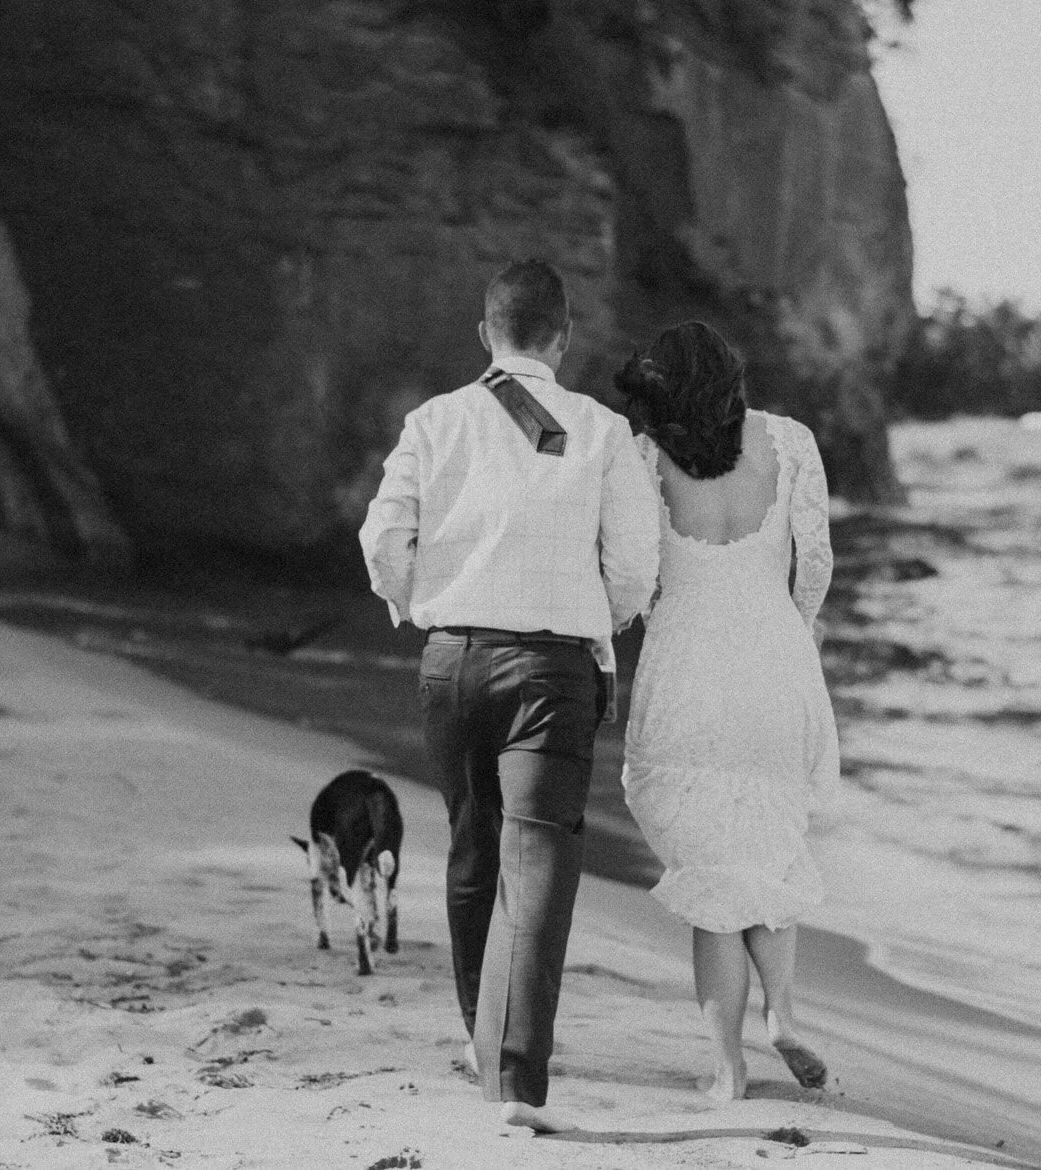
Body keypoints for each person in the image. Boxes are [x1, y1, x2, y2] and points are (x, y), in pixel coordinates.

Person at [359, 260, 660, 1132]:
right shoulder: (601, 429)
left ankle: (474, 1033)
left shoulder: (434, 420)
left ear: (485, 333)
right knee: (537, 861)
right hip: (552, 671)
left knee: (471, 848)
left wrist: (414, 603)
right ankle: (515, 1081)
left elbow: (384, 535)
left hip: (452, 661)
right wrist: (593, 617)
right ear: (563, 338)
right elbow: (636, 561)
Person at [613, 320, 839, 1101]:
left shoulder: (646, 458)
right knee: (767, 844)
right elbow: (816, 566)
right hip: (776, 662)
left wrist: (652, 620)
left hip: (688, 667)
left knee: (709, 872)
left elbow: (635, 576)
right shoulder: (793, 443)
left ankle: (728, 1067)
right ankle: (781, 1013)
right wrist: (796, 631)